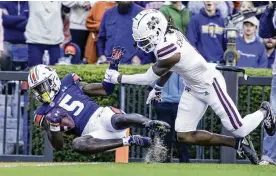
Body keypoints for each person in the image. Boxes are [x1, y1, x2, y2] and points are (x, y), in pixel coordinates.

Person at [105, 9, 276, 164]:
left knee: (240, 128)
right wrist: (158, 88)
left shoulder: (167, 47)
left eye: (146, 40)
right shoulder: (169, 34)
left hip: (210, 84)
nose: (144, 45)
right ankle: (237, 143)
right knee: (184, 135)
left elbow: (148, 76)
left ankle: (264, 112)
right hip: (193, 87)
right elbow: (169, 67)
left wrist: (118, 77)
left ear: (157, 31)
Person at [29, 47, 170, 154]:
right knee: (77, 144)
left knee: (117, 120)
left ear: (52, 79)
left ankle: (150, 124)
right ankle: (130, 140)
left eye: (43, 86)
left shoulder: (69, 81)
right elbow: (58, 146)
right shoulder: (42, 112)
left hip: (100, 115)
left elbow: (105, 90)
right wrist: (54, 126)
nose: (41, 91)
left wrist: (113, 65)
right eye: (37, 89)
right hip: (95, 137)